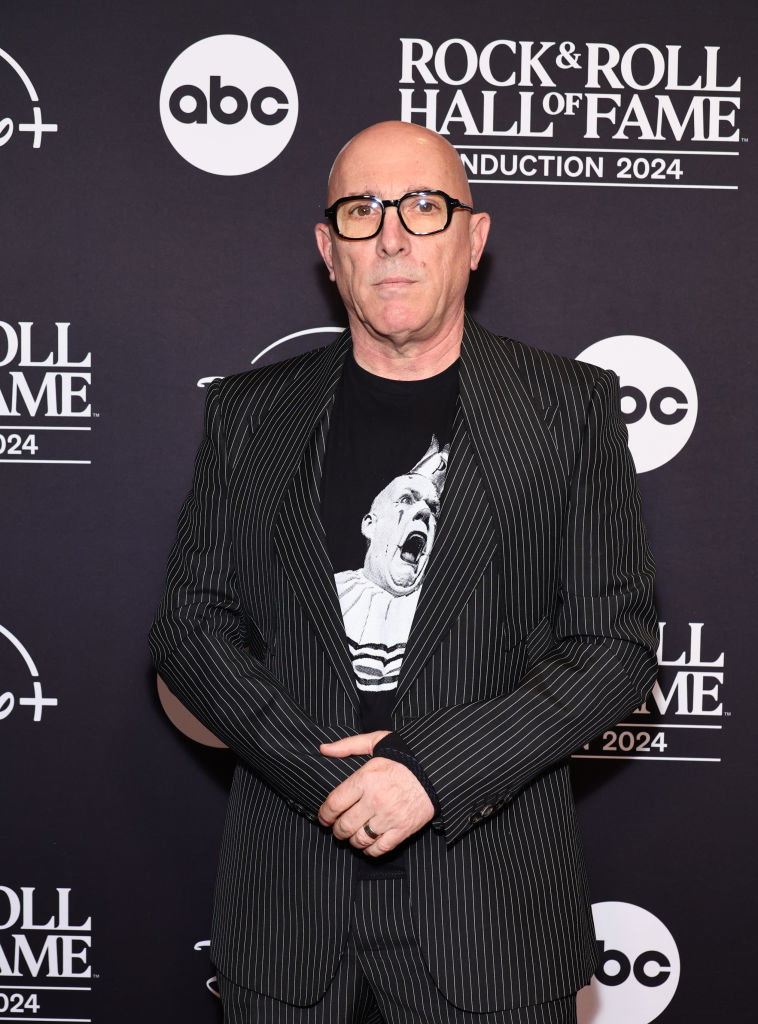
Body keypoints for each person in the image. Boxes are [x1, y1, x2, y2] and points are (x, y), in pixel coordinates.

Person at [149, 120, 658, 1024]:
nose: (391, 235)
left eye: (425, 207)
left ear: (474, 237)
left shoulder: (568, 411)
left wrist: (428, 771)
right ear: (328, 250)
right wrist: (326, 782)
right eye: (361, 210)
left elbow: (612, 649)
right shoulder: (246, 417)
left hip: (493, 914)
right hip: (288, 915)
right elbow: (190, 631)